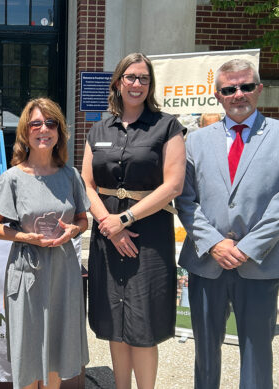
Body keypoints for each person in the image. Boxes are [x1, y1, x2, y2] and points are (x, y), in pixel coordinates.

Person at [176, 59, 279, 389]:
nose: (239, 94)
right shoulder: (194, 141)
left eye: (246, 86)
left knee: (257, 351)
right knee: (205, 354)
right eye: (229, 89)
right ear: (217, 95)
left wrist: (246, 248)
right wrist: (215, 243)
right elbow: (185, 199)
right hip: (208, 262)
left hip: (261, 264)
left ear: (259, 89)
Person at [81, 52, 186, 389]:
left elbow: (173, 183)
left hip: (149, 235)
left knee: (143, 325)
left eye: (144, 78)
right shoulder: (98, 128)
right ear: (118, 82)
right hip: (106, 234)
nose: (137, 84)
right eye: (131, 77)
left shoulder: (167, 126)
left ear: (150, 84)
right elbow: (86, 184)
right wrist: (110, 228)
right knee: (115, 321)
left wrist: (124, 218)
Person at [0, 98, 90, 389]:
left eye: (50, 123)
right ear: (25, 131)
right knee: (28, 345)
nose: (43, 129)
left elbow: (83, 220)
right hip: (26, 269)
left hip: (63, 269)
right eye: (36, 123)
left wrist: (73, 230)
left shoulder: (71, 176)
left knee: (57, 345)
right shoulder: (11, 178)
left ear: (59, 131)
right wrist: (24, 237)